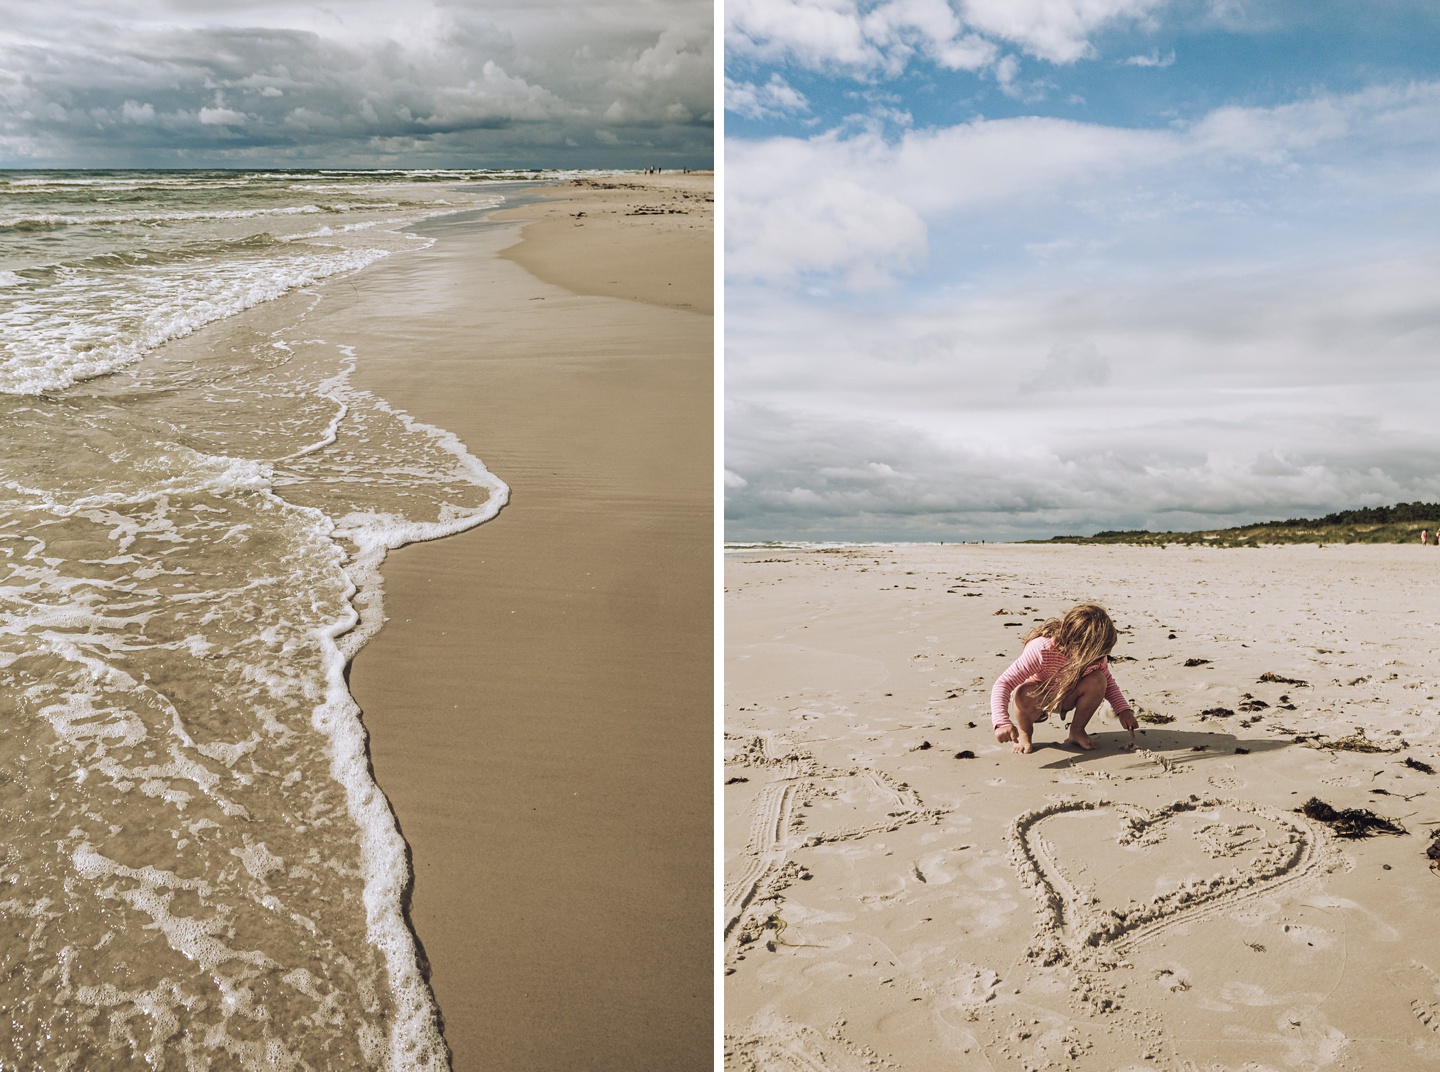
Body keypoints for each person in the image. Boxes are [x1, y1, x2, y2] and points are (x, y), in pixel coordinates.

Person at [991, 603, 1138, 754]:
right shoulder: (1041, 650)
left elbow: (1109, 683)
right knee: (1022, 692)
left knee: (1098, 680)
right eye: (1091, 656)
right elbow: (1004, 683)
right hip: (1040, 696)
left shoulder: (1096, 657)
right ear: (1068, 638)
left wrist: (1123, 710)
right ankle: (1024, 734)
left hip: (1070, 695)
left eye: (1100, 656)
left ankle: (1077, 731)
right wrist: (1001, 722)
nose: (1097, 660)